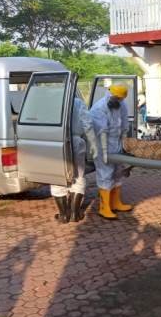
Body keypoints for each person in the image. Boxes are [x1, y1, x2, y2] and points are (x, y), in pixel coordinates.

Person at [50, 95, 98, 223]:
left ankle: (63, 214)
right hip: (76, 142)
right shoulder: (78, 103)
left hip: (56, 141)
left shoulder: (52, 102)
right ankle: (74, 213)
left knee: (57, 176)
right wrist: (93, 144)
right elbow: (87, 124)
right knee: (78, 176)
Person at [90, 83, 132, 219]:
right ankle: (104, 208)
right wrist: (104, 152)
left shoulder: (121, 105)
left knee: (117, 173)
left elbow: (125, 125)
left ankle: (116, 203)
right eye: (117, 98)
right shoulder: (99, 108)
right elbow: (101, 131)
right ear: (111, 94)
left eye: (121, 99)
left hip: (116, 143)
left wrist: (125, 145)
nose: (119, 101)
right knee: (105, 174)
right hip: (102, 144)